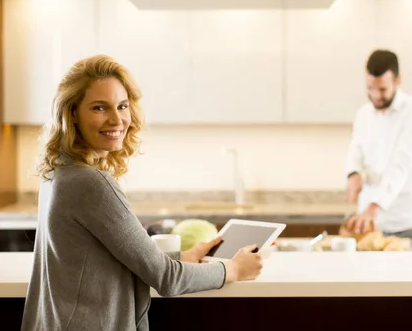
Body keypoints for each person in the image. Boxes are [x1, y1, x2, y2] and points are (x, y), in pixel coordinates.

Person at [21, 54, 263, 331]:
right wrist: (233, 269)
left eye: (122, 106)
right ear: (72, 113)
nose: (117, 119)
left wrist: (187, 256)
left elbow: (111, 263)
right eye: (100, 108)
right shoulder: (91, 183)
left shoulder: (58, 173)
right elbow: (166, 279)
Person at [339, 50, 412, 251]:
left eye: (382, 89)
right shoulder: (364, 114)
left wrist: (373, 207)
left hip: (407, 222)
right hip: (371, 226)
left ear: (398, 80)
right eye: (370, 88)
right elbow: (355, 149)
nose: (375, 96)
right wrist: (353, 173)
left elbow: (401, 164)